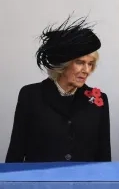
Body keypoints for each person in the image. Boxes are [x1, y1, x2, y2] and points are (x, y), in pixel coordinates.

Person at [5, 16, 111, 162]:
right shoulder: (31, 95)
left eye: (90, 64)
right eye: (80, 63)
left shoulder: (98, 100)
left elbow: (103, 154)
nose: (86, 70)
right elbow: (16, 149)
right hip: (40, 182)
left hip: (83, 182)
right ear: (63, 65)